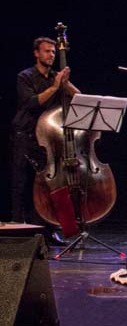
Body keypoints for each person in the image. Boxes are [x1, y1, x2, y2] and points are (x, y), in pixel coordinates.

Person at [9, 37, 80, 245]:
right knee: (21, 184)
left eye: (53, 52)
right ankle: (19, 229)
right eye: (47, 51)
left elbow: (79, 97)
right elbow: (31, 103)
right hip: (25, 135)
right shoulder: (25, 76)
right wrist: (55, 86)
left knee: (49, 185)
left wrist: (65, 85)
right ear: (36, 54)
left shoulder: (55, 79)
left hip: (47, 139)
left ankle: (47, 231)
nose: (51, 55)